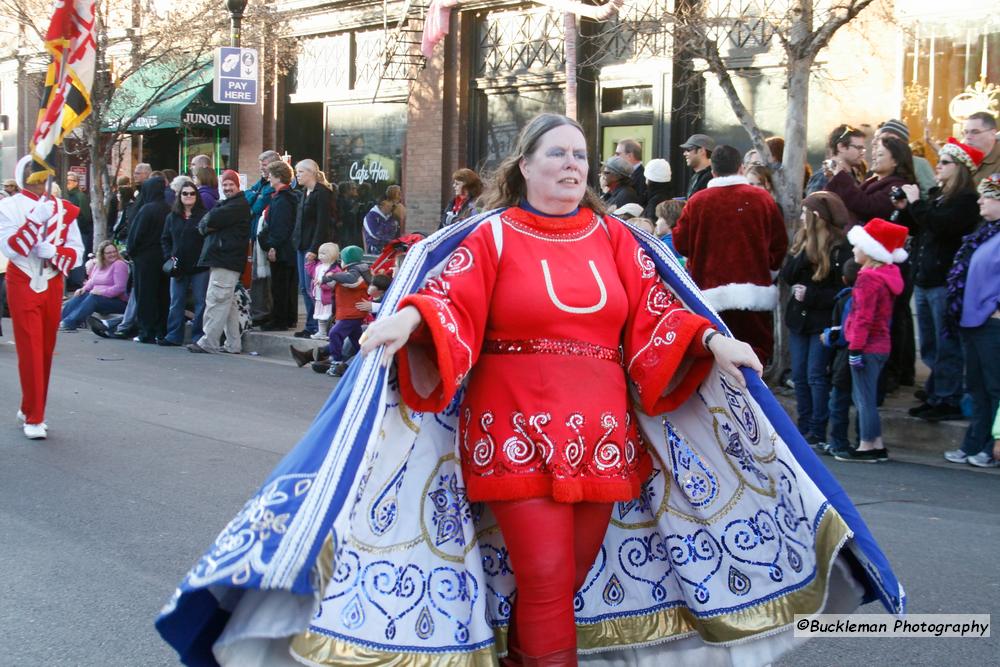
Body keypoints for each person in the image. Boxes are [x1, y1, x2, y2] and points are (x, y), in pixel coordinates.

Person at [157, 114, 904, 667]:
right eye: (559, 154)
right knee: (545, 579)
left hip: (603, 436)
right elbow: (452, 300)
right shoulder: (493, 237)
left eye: (583, 155)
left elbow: (657, 308)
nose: (574, 165)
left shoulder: (617, 239)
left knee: (564, 583)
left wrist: (713, 339)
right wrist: (407, 318)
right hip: (512, 427)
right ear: (528, 166)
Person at [673, 144, 789, 365]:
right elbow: (779, 244)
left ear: (713, 171)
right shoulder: (762, 199)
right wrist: (768, 271)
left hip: (708, 293)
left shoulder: (698, 201)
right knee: (755, 357)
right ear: (741, 168)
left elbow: (680, 243)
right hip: (754, 293)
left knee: (711, 360)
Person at [895, 138, 983, 422]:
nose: (938, 166)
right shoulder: (938, 196)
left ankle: (948, 397)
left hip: (945, 280)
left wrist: (917, 202)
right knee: (931, 344)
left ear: (960, 168)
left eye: (945, 162)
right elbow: (920, 225)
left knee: (947, 344)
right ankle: (937, 392)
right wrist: (907, 207)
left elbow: (941, 224)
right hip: (925, 277)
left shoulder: (967, 200)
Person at [0, 155, 84, 439]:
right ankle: (35, 417)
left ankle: (29, 406)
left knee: (45, 349)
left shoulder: (63, 208)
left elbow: (77, 251)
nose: (38, 180)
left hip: (52, 281)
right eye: (33, 174)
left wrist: (56, 254)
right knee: (30, 350)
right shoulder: (8, 206)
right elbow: (11, 248)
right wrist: (35, 221)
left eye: (42, 174)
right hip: (22, 279)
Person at [779, 192, 853, 447]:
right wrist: (801, 254)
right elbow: (787, 275)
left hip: (821, 320)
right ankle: (805, 425)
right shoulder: (801, 241)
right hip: (799, 320)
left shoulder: (840, 248)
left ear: (816, 217)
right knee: (799, 375)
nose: (800, 216)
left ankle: (818, 429)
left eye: (804, 213)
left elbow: (841, 292)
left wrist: (811, 295)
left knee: (815, 375)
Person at [834, 217, 908, 462]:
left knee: (863, 398)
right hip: (881, 345)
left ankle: (867, 445)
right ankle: (876, 442)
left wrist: (854, 348)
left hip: (866, 345)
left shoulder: (867, 279)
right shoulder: (887, 276)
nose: (854, 250)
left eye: (858, 245)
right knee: (868, 396)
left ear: (870, 249)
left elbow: (863, 317)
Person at [942, 173, 1000, 467]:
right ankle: (974, 442)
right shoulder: (985, 232)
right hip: (972, 322)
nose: (980, 200)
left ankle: (992, 447)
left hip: (992, 324)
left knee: (994, 387)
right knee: (976, 387)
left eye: (987, 196)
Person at [826, 134, 915, 228]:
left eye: (880, 154)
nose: (874, 157)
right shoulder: (872, 181)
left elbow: (866, 206)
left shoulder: (899, 187)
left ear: (895, 161)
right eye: (875, 153)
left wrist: (841, 176)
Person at [160, 181, 210, 346]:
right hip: (178, 267)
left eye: (192, 193)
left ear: (197, 196)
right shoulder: (172, 217)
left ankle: (198, 337)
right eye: (185, 193)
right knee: (176, 301)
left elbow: (209, 239)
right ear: (179, 196)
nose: (188, 196)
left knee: (200, 302)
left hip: (199, 267)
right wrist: (169, 257)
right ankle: (173, 335)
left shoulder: (204, 215)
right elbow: (165, 239)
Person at [821, 257, 861, 457]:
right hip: (865, 353)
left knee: (838, 400)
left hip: (846, 356)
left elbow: (841, 333)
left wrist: (826, 337)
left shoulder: (845, 299)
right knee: (862, 400)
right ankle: (863, 441)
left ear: (844, 279)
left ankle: (838, 442)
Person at [292, 159, 334, 338]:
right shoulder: (304, 192)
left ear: (310, 172)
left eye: (300, 172)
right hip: (300, 243)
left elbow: (322, 223)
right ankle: (310, 324)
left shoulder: (322, 193)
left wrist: (314, 248)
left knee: (314, 286)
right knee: (304, 287)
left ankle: (318, 325)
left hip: (313, 246)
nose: (297, 175)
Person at [125, 175, 170, 344]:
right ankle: (161, 329)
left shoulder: (147, 209)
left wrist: (130, 251)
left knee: (145, 295)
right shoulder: (168, 208)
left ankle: (146, 331)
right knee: (162, 295)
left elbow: (136, 235)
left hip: (145, 259)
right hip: (162, 258)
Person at [256, 160, 298, 331]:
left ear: (278, 177)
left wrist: (272, 246)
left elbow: (280, 227)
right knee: (286, 285)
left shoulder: (282, 199)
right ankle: (287, 318)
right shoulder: (290, 196)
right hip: (288, 248)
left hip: (282, 249)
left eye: (271, 175)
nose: (269, 178)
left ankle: (280, 319)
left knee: (280, 286)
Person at [320, 244, 370, 377]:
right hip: (349, 311)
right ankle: (366, 361)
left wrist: (333, 276)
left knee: (335, 333)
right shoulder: (351, 271)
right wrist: (328, 278)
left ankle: (336, 360)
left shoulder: (356, 272)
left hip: (352, 312)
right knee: (357, 339)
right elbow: (337, 283)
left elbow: (351, 281)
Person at [60, 240, 129, 330]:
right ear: (102, 255)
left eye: (114, 252)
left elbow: (120, 288)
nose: (112, 255)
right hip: (100, 298)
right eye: (108, 253)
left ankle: (70, 323)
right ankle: (60, 320)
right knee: (82, 294)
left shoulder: (119, 264)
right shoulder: (98, 265)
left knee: (93, 297)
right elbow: (92, 281)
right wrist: (83, 289)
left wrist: (101, 292)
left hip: (117, 302)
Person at [246, 150, 281, 325]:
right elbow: (247, 199)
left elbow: (256, 207)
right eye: (260, 164)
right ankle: (258, 312)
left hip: (267, 239)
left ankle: (263, 314)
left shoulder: (272, 188)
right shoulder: (261, 184)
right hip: (255, 236)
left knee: (265, 279)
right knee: (257, 278)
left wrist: (255, 197)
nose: (261, 168)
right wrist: (254, 195)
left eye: (265, 165)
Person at [876, 119, 936, 198]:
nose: (886, 143)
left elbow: (929, 194)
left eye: (891, 138)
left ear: (903, 142)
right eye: (882, 139)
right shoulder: (880, 163)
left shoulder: (919, 163)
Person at [809, 124, 867, 194]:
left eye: (863, 149)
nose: (862, 152)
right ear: (841, 147)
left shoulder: (854, 177)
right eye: (858, 148)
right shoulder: (823, 176)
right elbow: (814, 203)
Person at [305, 242, 341, 340]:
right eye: (319, 253)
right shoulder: (319, 266)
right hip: (318, 295)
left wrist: (322, 284)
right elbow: (311, 272)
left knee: (329, 315)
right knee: (320, 315)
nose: (320, 256)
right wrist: (310, 262)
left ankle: (330, 332)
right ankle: (321, 332)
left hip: (328, 297)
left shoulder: (335, 269)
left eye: (323, 254)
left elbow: (333, 284)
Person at [63, 171, 92, 290]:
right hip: (70, 232)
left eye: (69, 181)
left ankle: (78, 282)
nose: (67, 184)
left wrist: (80, 228)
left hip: (80, 231)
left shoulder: (80, 196)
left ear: (75, 182)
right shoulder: (66, 195)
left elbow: (86, 216)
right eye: (66, 181)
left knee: (79, 256)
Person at [963, 111, 999, 184]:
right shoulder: (963, 157)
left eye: (975, 132)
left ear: (992, 134)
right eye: (966, 132)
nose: (968, 137)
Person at [680, 133, 714, 198]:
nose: (684, 153)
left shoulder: (710, 177)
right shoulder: (699, 175)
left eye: (688, 149)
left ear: (701, 150)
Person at [614, 138, 646, 205]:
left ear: (629, 156)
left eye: (617, 154)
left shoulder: (643, 177)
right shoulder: (626, 174)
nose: (614, 157)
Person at [654, 199, 685, 264]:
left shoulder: (665, 245)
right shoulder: (686, 241)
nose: (656, 222)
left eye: (659, 218)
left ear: (670, 220)